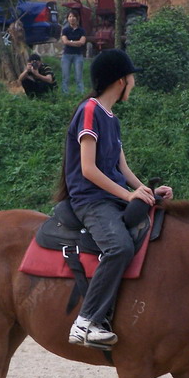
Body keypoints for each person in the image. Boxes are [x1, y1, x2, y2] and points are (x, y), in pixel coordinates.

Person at [64, 49, 173, 348]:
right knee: (119, 246)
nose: (134, 83)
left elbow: (121, 169)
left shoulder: (112, 118)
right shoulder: (89, 110)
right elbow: (88, 169)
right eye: (132, 77)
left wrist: (148, 192)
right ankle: (86, 322)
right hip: (91, 200)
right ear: (121, 80)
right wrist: (129, 194)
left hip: (111, 198)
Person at [60, 9, 86, 94]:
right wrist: (76, 42)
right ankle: (65, 94)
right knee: (65, 76)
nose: (72, 18)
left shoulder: (82, 30)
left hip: (78, 55)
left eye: (74, 16)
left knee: (79, 76)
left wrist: (70, 42)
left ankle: (80, 93)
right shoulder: (65, 30)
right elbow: (65, 41)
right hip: (66, 55)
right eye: (70, 16)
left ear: (77, 18)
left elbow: (82, 42)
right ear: (67, 18)